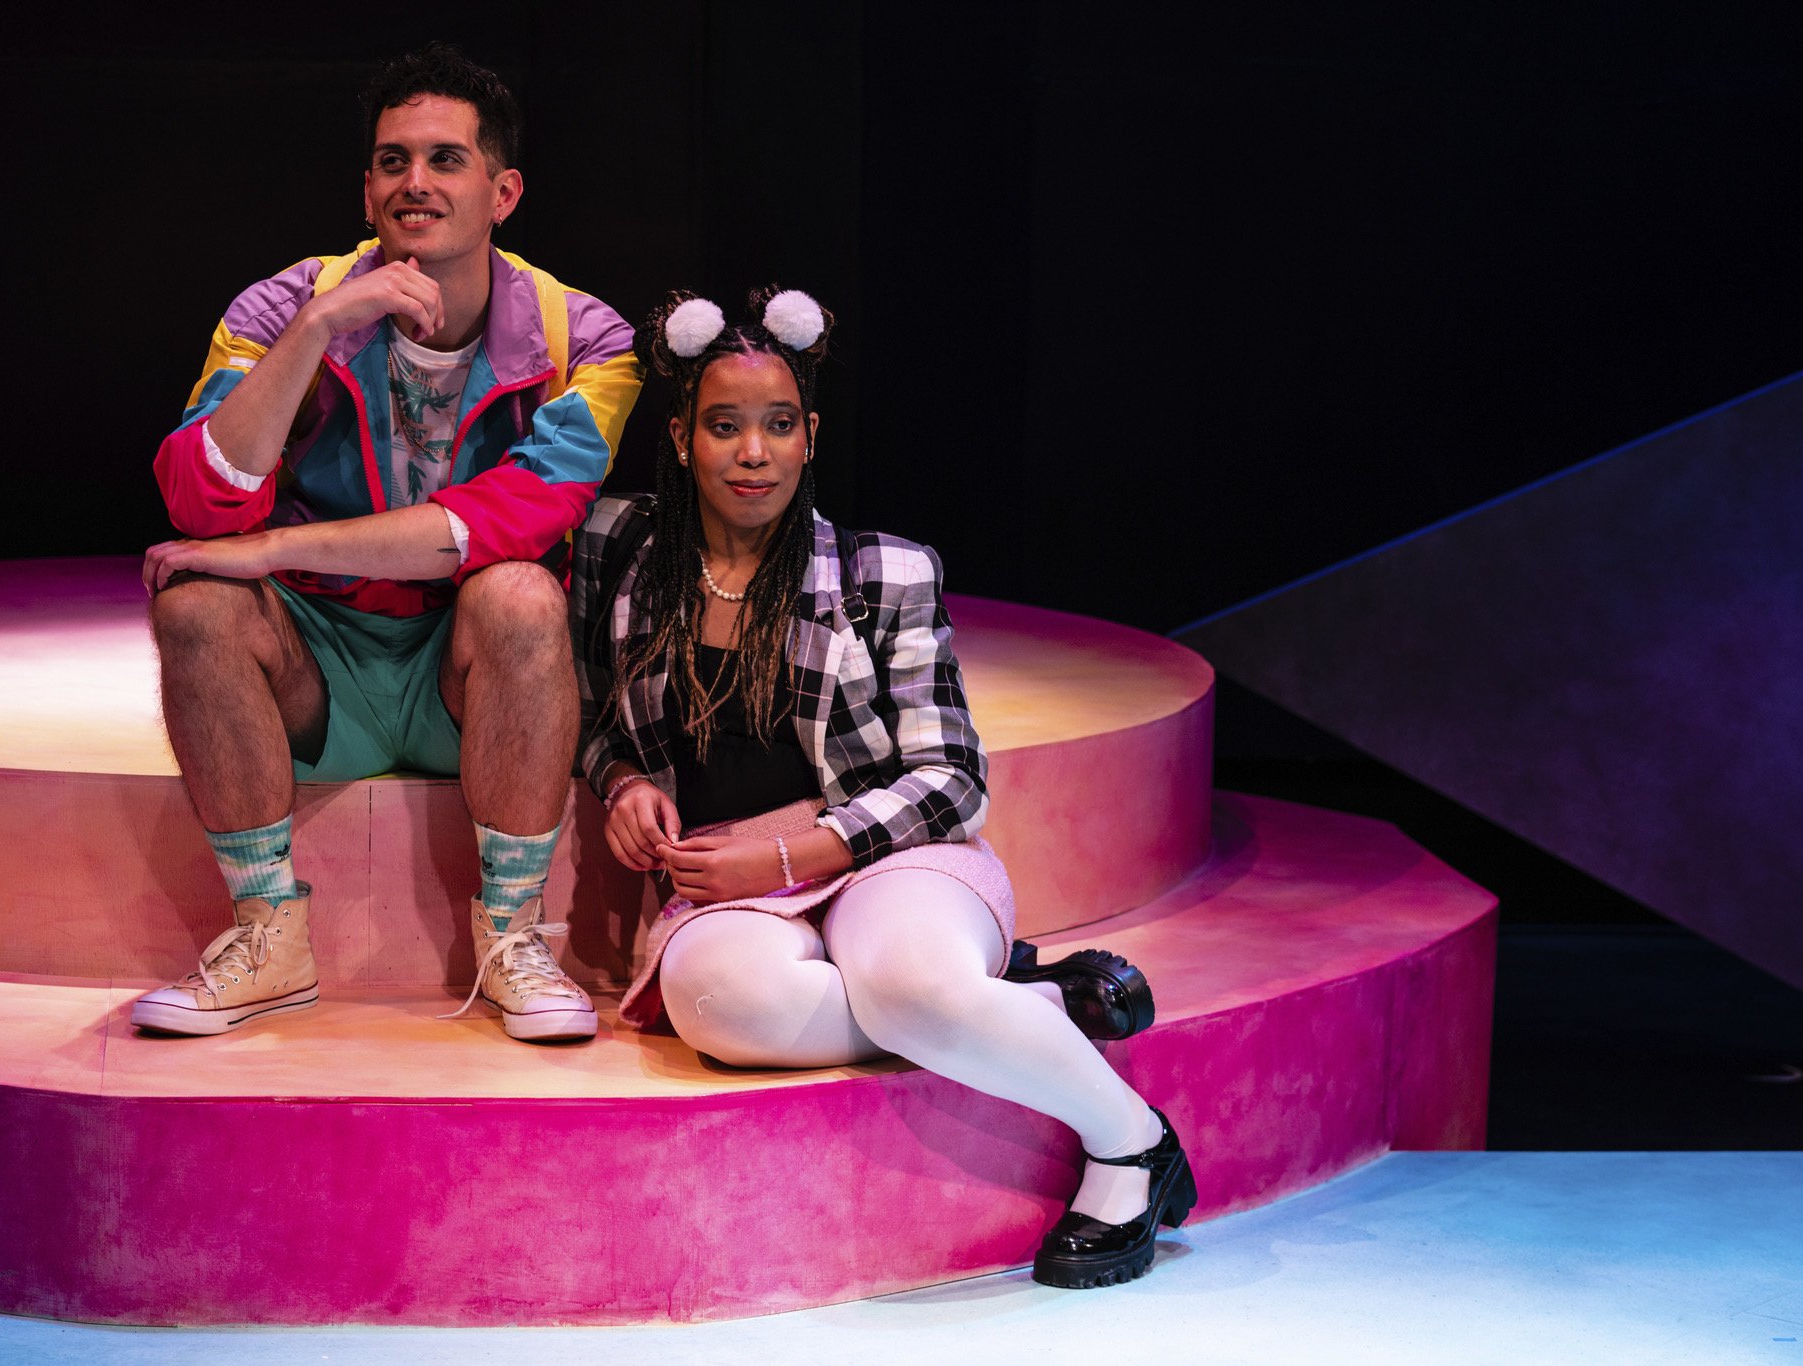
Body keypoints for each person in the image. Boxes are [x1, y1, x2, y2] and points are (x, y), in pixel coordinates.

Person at [569, 286, 1198, 1289]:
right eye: (724, 426)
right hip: (727, 878)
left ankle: (1131, 1146)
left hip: (883, 850)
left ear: (810, 435)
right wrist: (623, 781)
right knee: (723, 1004)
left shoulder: (882, 573)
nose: (752, 452)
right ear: (681, 437)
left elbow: (951, 780)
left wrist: (791, 851)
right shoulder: (621, 552)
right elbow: (596, 714)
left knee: (905, 979)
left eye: (779, 425)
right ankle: (1010, 1005)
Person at [129, 44, 638, 1042]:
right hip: (318, 663)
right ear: (366, 190)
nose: (416, 182)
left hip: (466, 671)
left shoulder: (586, 339)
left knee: (520, 592)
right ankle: (268, 935)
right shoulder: (279, 309)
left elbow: (511, 519)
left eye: (446, 159)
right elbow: (199, 497)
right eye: (392, 161)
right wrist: (318, 329)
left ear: (503, 192)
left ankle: (511, 937)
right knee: (194, 603)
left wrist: (272, 551)